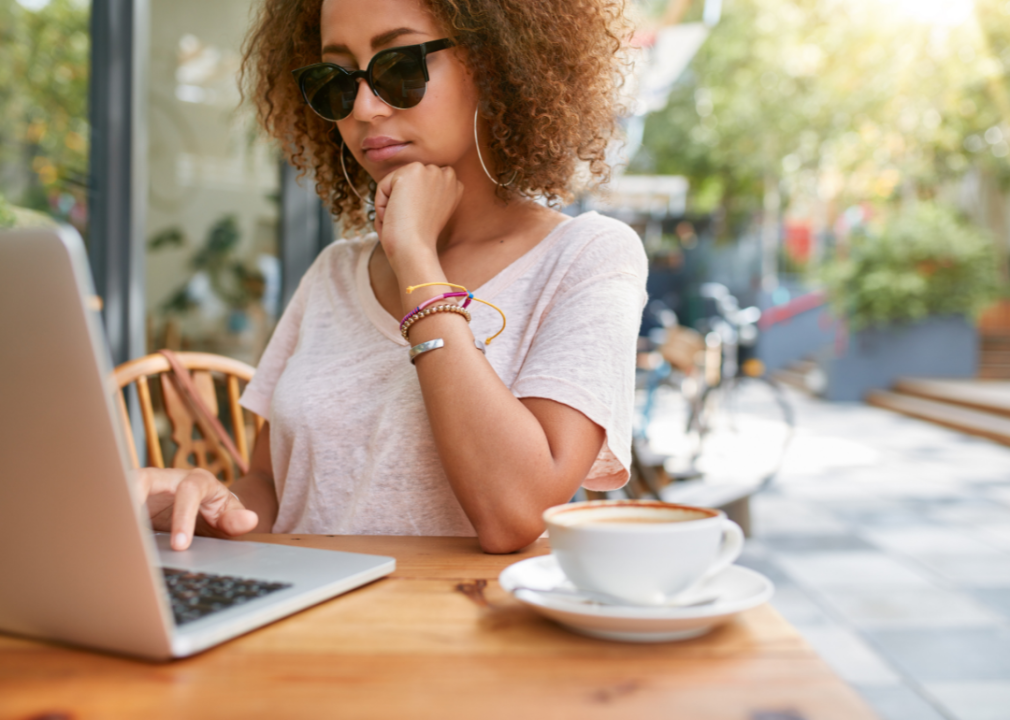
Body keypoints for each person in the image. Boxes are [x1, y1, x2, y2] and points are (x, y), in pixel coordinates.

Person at [141, 0, 647, 554]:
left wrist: (414, 259)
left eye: (399, 67)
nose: (364, 107)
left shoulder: (586, 257)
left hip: (462, 627)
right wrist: (209, 508)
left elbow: (516, 512)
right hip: (298, 625)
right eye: (335, 80)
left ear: (494, 63)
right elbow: (268, 483)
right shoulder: (334, 272)